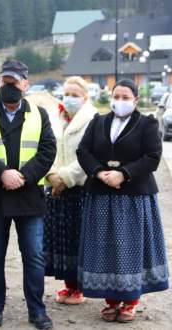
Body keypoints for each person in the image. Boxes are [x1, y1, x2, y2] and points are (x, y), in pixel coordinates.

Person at [0, 60, 56, 329]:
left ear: (25, 85)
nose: (9, 86)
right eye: (5, 81)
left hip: (29, 198)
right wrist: (2, 173)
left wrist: (24, 176)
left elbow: (47, 151)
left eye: (14, 82)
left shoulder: (39, 114)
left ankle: (37, 310)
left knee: (34, 257)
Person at [76, 78, 169, 323]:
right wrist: (98, 172)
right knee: (104, 248)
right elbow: (83, 151)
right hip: (101, 195)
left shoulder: (146, 124)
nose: (120, 101)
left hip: (133, 197)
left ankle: (131, 301)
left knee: (131, 249)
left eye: (126, 97)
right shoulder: (99, 122)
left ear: (136, 100)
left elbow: (153, 157)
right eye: (117, 96)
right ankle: (111, 300)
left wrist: (123, 174)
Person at [43, 76, 97, 305]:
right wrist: (52, 176)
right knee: (61, 240)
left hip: (80, 188)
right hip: (56, 188)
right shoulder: (55, 117)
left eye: (75, 95)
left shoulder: (93, 119)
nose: (70, 98)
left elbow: (91, 155)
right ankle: (69, 285)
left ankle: (80, 288)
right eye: (67, 93)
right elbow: (45, 147)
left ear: (85, 97)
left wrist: (64, 178)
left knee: (79, 240)